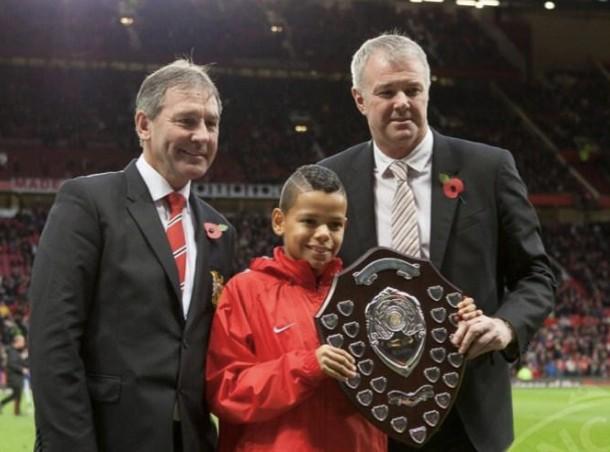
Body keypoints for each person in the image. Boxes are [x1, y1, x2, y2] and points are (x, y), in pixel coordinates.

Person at [319, 33, 556, 452]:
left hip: (468, 414)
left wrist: (504, 326)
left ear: (428, 90)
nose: (402, 103)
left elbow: (536, 274)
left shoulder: (488, 168)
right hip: (364, 413)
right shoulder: (328, 180)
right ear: (359, 99)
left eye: (413, 89)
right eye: (386, 92)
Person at [29, 59, 235, 452]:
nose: (202, 136)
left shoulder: (220, 230)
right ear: (144, 125)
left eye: (211, 123)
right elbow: (53, 342)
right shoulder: (88, 203)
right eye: (187, 121)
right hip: (107, 439)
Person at [205, 165, 480, 452]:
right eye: (309, 221)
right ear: (279, 221)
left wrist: (453, 318)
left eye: (334, 225)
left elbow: (408, 364)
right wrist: (307, 366)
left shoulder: (367, 293)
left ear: (345, 228)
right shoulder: (245, 291)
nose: (323, 234)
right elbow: (226, 391)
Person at [0, 334, 28, 415]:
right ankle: (16, 411)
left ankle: (16, 411)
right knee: (17, 394)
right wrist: (22, 369)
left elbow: (20, 362)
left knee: (16, 394)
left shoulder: (16, 351)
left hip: (17, 376)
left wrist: (25, 360)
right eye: (22, 341)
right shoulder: (12, 351)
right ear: (17, 342)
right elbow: (11, 364)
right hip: (13, 376)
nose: (24, 343)